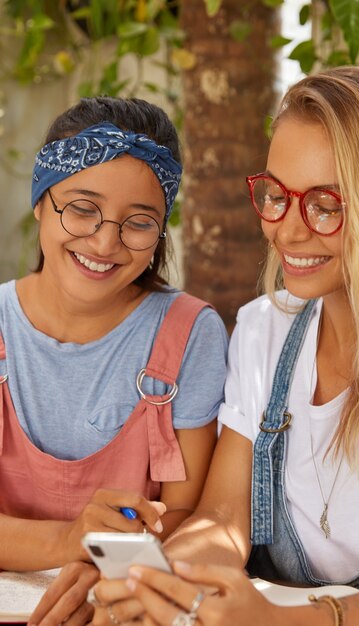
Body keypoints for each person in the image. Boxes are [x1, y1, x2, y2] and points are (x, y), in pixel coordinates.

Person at [83, 65, 359, 626]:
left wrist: (293, 620)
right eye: (276, 194)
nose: (286, 230)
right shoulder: (266, 331)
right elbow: (221, 519)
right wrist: (158, 582)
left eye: (326, 204)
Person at [0, 95, 228, 614]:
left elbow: (186, 512)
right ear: (40, 202)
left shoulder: (190, 333)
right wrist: (72, 543)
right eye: (82, 209)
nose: (105, 242)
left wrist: (110, 568)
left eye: (139, 221)